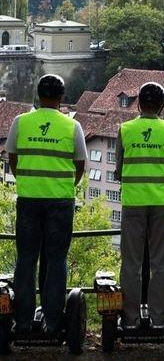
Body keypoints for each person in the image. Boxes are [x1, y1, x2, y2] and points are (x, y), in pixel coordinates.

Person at [7, 74, 87, 334]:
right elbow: (80, 165)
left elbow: (13, 160)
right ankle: (52, 322)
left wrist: (30, 181)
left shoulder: (21, 122)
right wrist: (63, 185)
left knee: (26, 260)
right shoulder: (71, 126)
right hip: (60, 201)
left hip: (29, 199)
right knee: (55, 260)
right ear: (62, 98)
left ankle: (22, 322)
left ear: (37, 96)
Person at [115, 82, 164, 329]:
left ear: (139, 104)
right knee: (160, 262)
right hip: (161, 203)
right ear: (163, 106)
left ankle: (130, 319)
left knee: (131, 263)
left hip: (133, 203)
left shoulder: (125, 129)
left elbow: (119, 170)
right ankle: (159, 319)